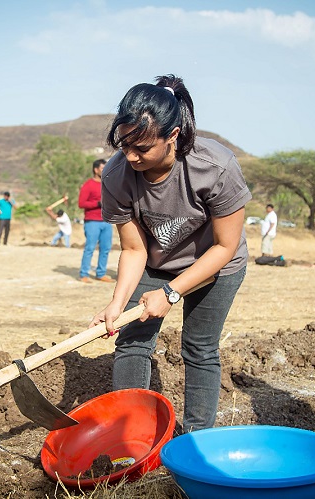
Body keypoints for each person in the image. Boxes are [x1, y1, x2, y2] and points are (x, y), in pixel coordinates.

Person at [89, 74, 252, 432]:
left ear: (173, 136)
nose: (130, 156)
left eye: (142, 148)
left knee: (199, 346)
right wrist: (117, 303)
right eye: (124, 144)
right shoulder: (117, 175)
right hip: (157, 260)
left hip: (216, 263)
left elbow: (225, 246)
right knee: (131, 341)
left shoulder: (214, 167)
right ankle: (131, 438)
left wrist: (172, 293)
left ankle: (195, 440)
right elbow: (133, 249)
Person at [78, 159, 114, 283]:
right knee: (90, 248)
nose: (105, 171)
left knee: (105, 248)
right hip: (92, 221)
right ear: (96, 169)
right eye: (103, 168)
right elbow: (81, 203)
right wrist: (97, 203)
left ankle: (101, 273)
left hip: (106, 221)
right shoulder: (88, 185)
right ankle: (84, 274)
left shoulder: (108, 183)